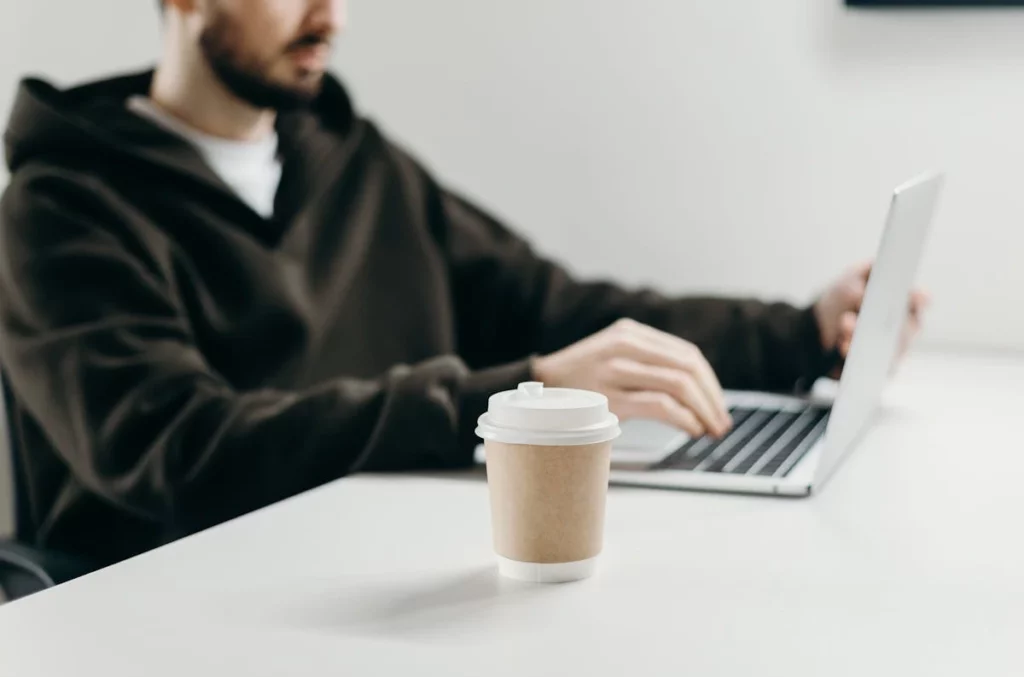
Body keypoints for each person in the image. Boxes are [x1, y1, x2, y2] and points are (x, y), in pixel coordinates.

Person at [0, 0, 925, 569]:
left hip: (367, 576)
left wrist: (801, 329)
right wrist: (505, 398)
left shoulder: (353, 162)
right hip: (168, 619)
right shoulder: (60, 208)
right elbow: (180, 449)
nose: (334, 15)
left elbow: (553, 308)